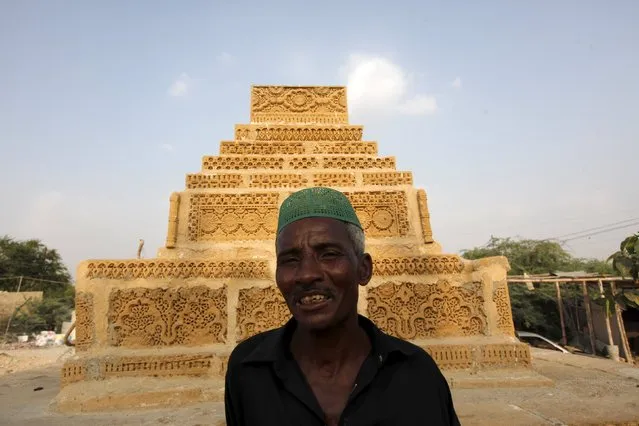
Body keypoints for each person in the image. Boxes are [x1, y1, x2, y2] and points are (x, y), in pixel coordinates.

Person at [225, 187, 460, 426]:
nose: (307, 275)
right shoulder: (248, 372)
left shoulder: (416, 375)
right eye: (290, 260)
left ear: (364, 269)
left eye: (328, 254)